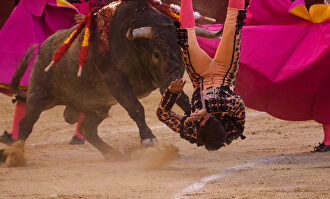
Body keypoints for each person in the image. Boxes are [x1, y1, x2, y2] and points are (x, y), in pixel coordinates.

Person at [0, 0, 106, 145]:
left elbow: (105, 14)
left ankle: (81, 133)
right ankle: (15, 134)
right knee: (31, 84)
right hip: (51, 36)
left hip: (78, 40)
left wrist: (89, 18)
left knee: (85, 83)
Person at [157, 0, 247, 150]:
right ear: (221, 126)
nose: (205, 117)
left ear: (200, 131)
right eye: (210, 118)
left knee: (186, 38)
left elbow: (163, 114)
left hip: (200, 76)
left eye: (204, 120)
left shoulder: (191, 130)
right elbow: (237, 103)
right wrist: (208, 109)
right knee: (233, 27)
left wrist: (171, 95)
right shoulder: (233, 128)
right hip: (226, 71)